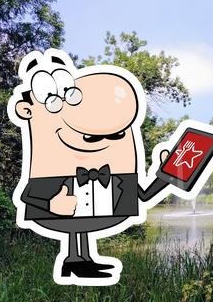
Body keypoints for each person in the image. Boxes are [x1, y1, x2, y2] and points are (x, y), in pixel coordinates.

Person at [9, 49, 173, 285]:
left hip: (99, 211)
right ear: (26, 111)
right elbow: (26, 195)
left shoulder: (117, 177)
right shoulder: (51, 174)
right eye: (92, 137)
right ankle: (74, 261)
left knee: (81, 227)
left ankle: (81, 260)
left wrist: (167, 173)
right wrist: (51, 204)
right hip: (57, 212)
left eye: (116, 135)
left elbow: (144, 195)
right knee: (75, 225)